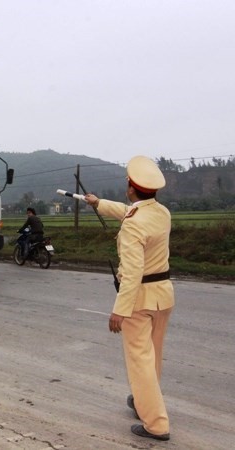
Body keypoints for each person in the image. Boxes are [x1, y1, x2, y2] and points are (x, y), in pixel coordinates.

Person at [84, 155, 174, 442]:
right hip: (163, 295)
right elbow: (128, 211)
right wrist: (98, 203)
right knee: (153, 357)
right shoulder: (161, 212)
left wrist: (119, 310)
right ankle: (144, 402)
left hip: (140, 299)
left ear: (132, 188)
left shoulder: (134, 225)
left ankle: (156, 424)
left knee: (140, 361)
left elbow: (133, 271)